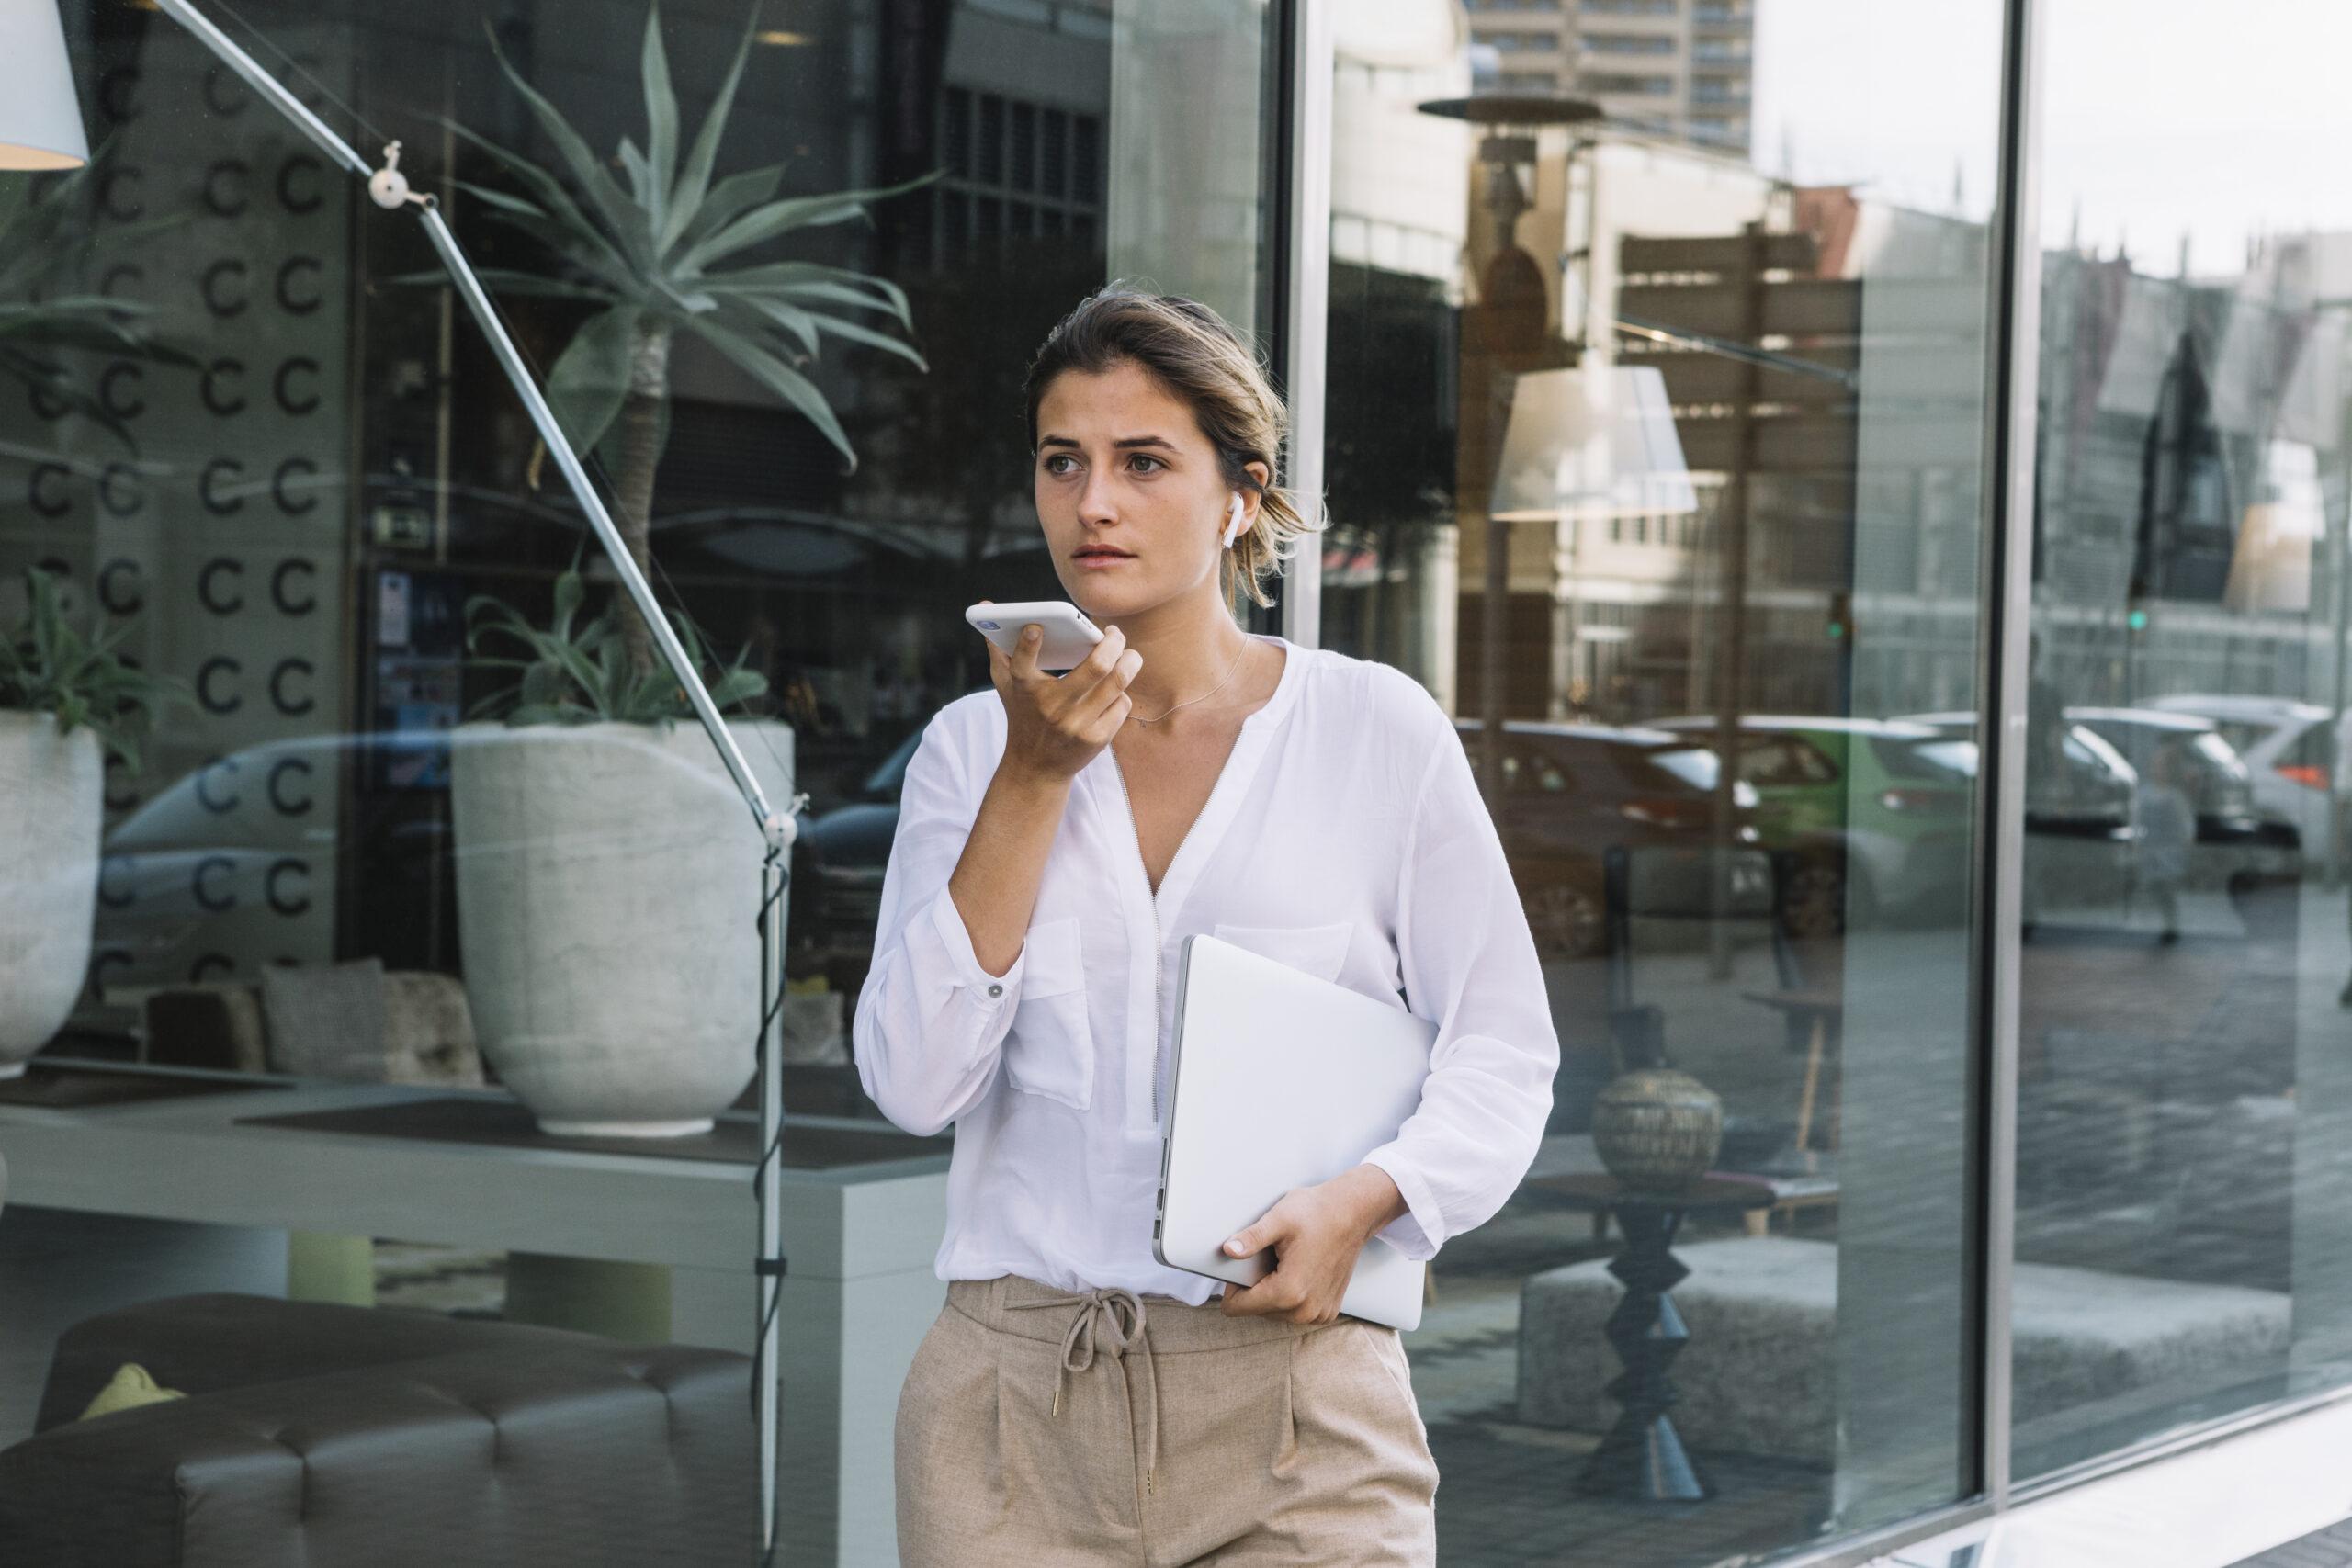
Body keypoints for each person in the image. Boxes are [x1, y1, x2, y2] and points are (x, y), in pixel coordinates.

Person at [852, 285, 1558, 1567]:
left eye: (1142, 462)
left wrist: (1371, 1199)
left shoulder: (1373, 732)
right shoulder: (971, 754)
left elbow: (1505, 1051)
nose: (1094, 503)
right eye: (1063, 462)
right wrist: (1033, 779)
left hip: (1298, 1415)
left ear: (1242, 493)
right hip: (1014, 1415)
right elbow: (912, 1084)